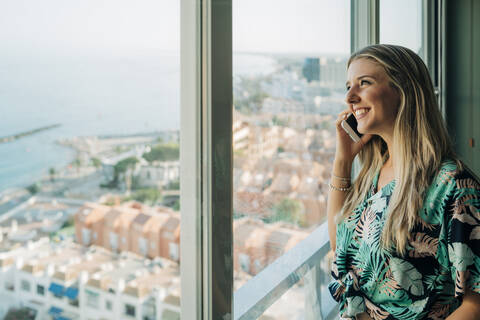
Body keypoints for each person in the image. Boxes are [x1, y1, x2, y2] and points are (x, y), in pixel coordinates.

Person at [326, 44, 480, 320]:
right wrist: (343, 162)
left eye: (364, 83)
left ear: (403, 90)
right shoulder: (372, 173)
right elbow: (340, 250)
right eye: (349, 86)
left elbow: (475, 304)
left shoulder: (454, 187)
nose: (350, 96)